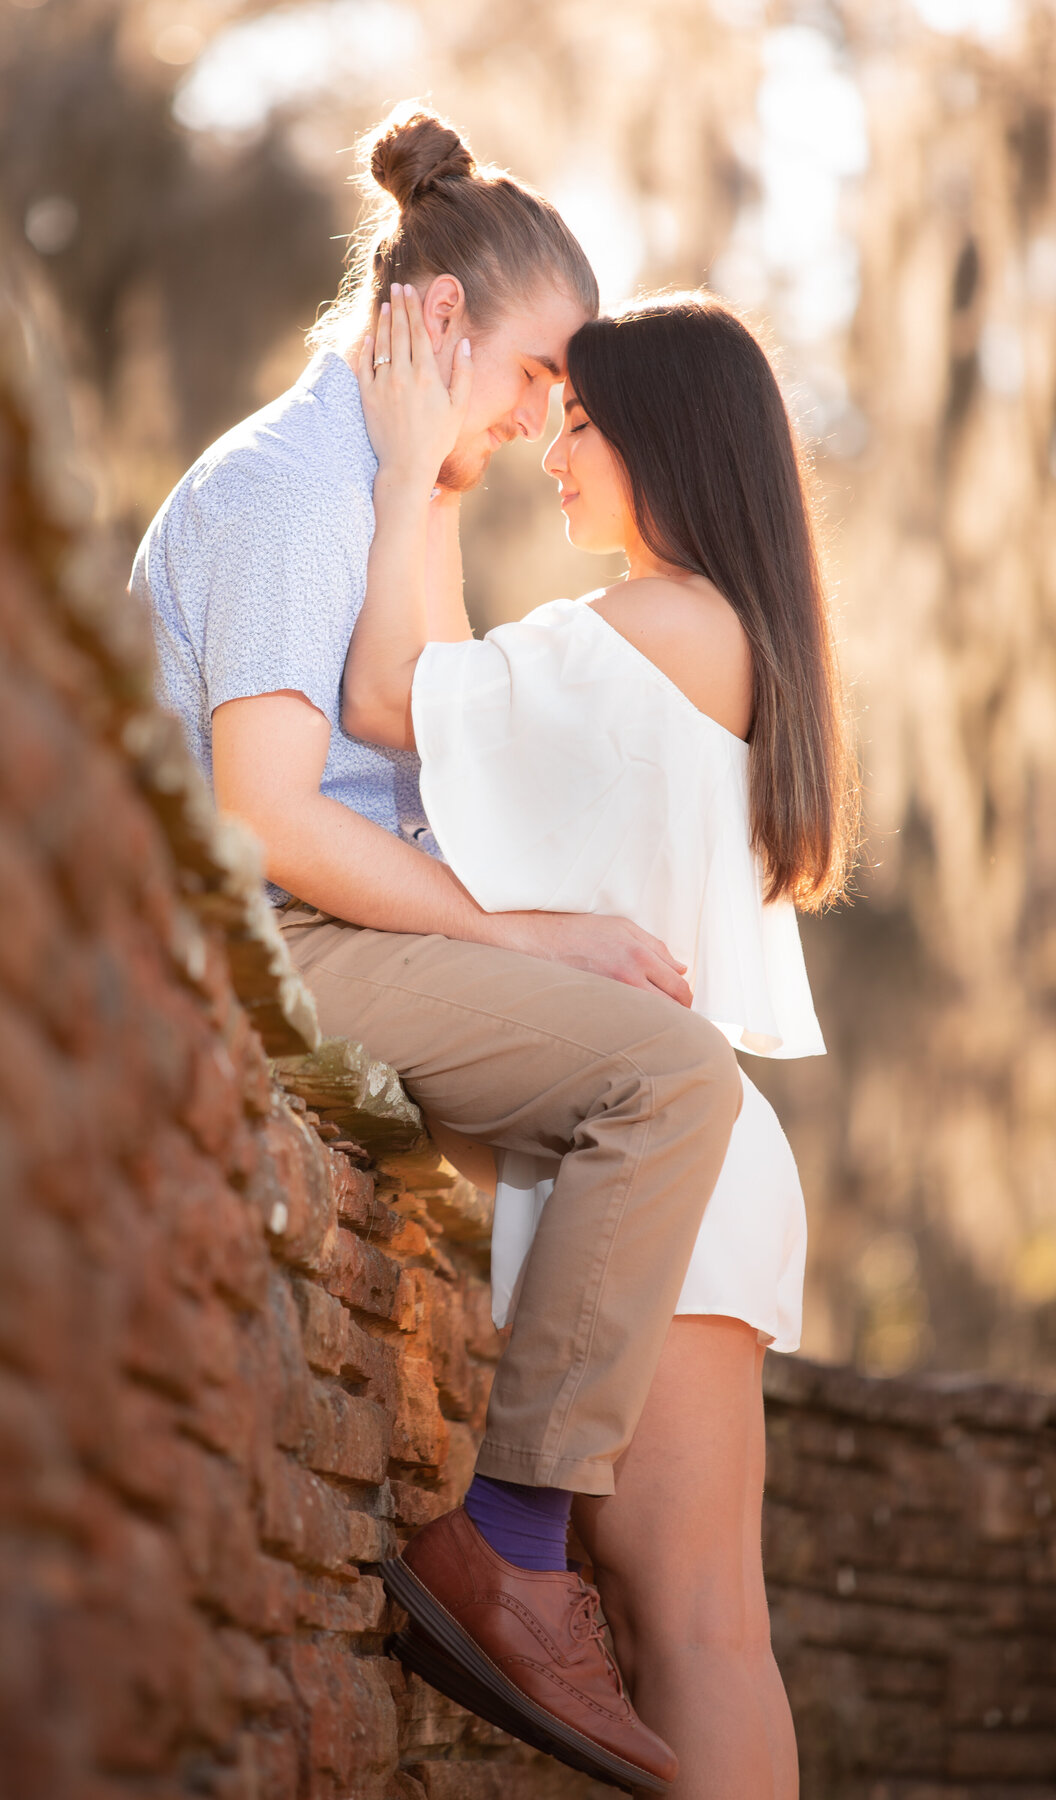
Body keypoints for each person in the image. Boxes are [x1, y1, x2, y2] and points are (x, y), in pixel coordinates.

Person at [132, 106, 744, 1796]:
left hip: (348, 933)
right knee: (674, 1080)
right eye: (543, 372)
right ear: (437, 323)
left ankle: (589, 1554)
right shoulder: (284, 491)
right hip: (266, 944)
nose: (553, 420)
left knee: (673, 1088)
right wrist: (525, 936)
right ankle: (510, 1552)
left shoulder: (392, 490)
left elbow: (439, 766)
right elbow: (261, 819)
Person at [343, 284, 857, 1800]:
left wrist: (410, 472)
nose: (551, 451)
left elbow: (388, 696)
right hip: (703, 1165)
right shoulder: (709, 636)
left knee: (692, 1628)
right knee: (687, 1621)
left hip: (675, 1177)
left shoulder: (650, 627)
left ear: (668, 443)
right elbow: (451, 707)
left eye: (581, 424)